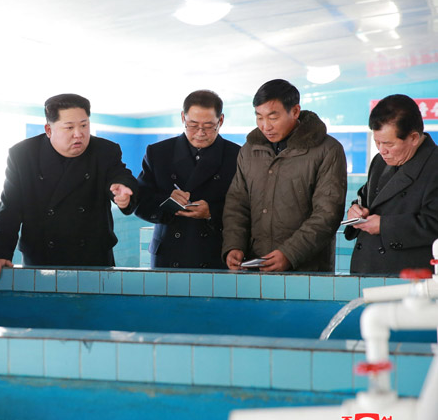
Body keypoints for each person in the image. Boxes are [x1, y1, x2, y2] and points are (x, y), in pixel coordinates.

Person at [0, 93, 138, 280]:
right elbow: (10, 206)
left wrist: (123, 190)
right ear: (49, 130)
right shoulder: (23, 155)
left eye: (84, 125)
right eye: (69, 127)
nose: (78, 134)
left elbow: (120, 176)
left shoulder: (105, 151)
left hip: (93, 257)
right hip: (42, 259)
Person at [222, 79, 347, 272]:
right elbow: (237, 204)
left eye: (273, 117)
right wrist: (234, 245)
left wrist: (290, 253)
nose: (265, 126)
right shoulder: (249, 150)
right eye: (259, 117)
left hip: (308, 271)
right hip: (255, 265)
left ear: (295, 111)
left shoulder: (327, 150)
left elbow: (327, 214)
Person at [134, 90, 240, 268]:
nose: (200, 133)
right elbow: (139, 203)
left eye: (208, 126)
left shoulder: (237, 156)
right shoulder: (158, 153)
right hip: (169, 254)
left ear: (220, 121)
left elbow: (246, 207)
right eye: (192, 125)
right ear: (183, 118)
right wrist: (167, 201)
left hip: (214, 253)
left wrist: (212, 213)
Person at [345, 94, 438, 274]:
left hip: (407, 276)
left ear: (413, 137)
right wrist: (356, 211)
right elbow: (367, 197)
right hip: (367, 268)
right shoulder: (380, 161)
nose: (382, 151)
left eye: (388, 144)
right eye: (377, 142)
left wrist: (384, 226)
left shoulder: (433, 166)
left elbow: (434, 223)